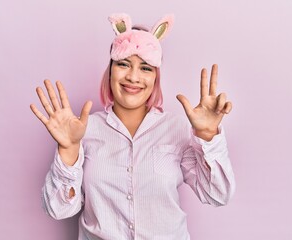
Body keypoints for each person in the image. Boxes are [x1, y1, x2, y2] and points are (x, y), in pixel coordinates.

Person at [30, 13, 235, 240]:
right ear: (110, 71)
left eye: (146, 68)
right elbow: (58, 210)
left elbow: (218, 195)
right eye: (124, 64)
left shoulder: (177, 129)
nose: (133, 77)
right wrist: (68, 149)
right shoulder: (83, 130)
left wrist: (207, 135)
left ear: (155, 77)